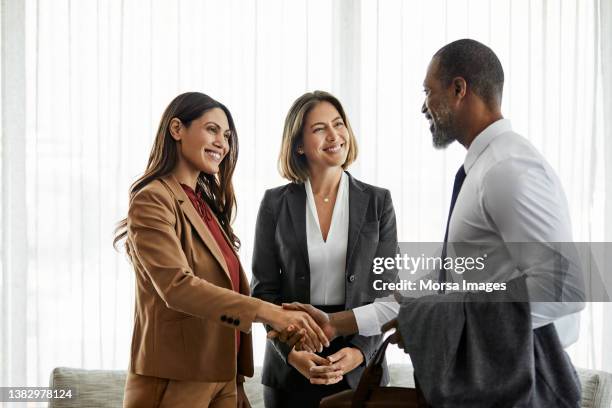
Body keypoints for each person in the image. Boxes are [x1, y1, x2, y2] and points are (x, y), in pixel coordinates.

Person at [279, 40, 585, 406]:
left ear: (458, 89)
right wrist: (338, 323)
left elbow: (565, 288)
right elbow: (440, 284)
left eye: (428, 91)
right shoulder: (482, 170)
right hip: (492, 376)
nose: (423, 105)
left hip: (520, 379)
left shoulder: (508, 168)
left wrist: (445, 319)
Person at [113, 92, 329, 408]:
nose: (223, 144)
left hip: (221, 378)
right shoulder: (153, 199)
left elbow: (223, 292)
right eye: (212, 130)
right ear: (177, 129)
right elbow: (177, 288)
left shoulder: (206, 206)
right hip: (174, 379)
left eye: (226, 136)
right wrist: (271, 313)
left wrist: (235, 380)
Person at [250, 91, 398, 408]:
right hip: (291, 362)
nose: (334, 136)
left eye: (338, 124)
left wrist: (360, 351)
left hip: (360, 365)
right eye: (319, 129)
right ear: (299, 145)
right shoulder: (275, 203)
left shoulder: (378, 202)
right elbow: (264, 292)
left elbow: (387, 293)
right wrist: (292, 354)